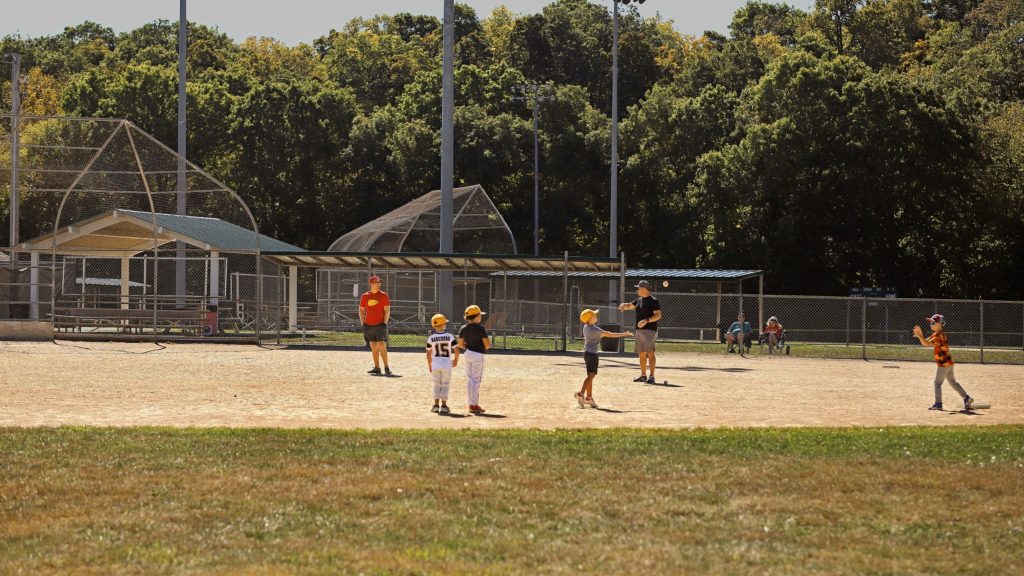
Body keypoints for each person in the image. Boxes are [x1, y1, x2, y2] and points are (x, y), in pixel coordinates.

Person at [913, 314, 974, 411]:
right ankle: (967, 398)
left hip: (943, 364)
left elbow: (926, 344)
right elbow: (925, 342)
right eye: (931, 322)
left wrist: (920, 335)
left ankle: (938, 404)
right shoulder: (936, 334)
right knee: (952, 382)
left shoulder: (939, 335)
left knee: (937, 383)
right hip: (948, 363)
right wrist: (921, 335)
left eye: (933, 322)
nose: (931, 324)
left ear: (940, 324)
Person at [576, 309, 633, 409]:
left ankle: (589, 398)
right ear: (589, 319)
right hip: (592, 355)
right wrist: (624, 334)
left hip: (587, 354)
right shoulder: (596, 331)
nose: (596, 315)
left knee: (590, 376)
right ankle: (581, 394)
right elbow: (610, 335)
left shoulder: (586, 326)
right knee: (591, 376)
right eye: (594, 315)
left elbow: (601, 331)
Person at [618, 280, 662, 384]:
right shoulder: (639, 300)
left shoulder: (653, 301)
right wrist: (624, 305)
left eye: (638, 288)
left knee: (650, 352)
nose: (637, 290)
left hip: (650, 330)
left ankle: (652, 376)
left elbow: (658, 315)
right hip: (640, 330)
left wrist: (646, 320)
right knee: (641, 353)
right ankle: (643, 375)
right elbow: (630, 306)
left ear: (644, 289)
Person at [458, 305, 492, 414]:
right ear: (476, 317)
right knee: (476, 381)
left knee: (470, 379)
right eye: (479, 315)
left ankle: (470, 403)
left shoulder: (463, 328)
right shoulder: (480, 328)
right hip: (478, 355)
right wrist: (487, 346)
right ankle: (474, 405)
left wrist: (470, 346)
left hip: (467, 354)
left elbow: (460, 344)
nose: (480, 317)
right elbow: (487, 345)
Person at [426, 313, 459, 415]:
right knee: (445, 384)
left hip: (435, 363)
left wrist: (430, 365)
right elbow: (456, 350)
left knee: (436, 384)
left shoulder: (431, 338)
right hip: (446, 363)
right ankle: (444, 406)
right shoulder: (449, 336)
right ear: (444, 325)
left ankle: (436, 406)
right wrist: (456, 360)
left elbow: (428, 354)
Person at [359, 275, 391, 375]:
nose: (379, 284)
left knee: (381, 344)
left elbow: (387, 310)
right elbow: (361, 310)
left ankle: (386, 367)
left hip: (380, 324)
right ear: (371, 284)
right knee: (373, 345)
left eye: (379, 283)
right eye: (377, 283)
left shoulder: (384, 295)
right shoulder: (365, 296)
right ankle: (377, 367)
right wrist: (362, 322)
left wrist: (384, 323)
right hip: (368, 324)